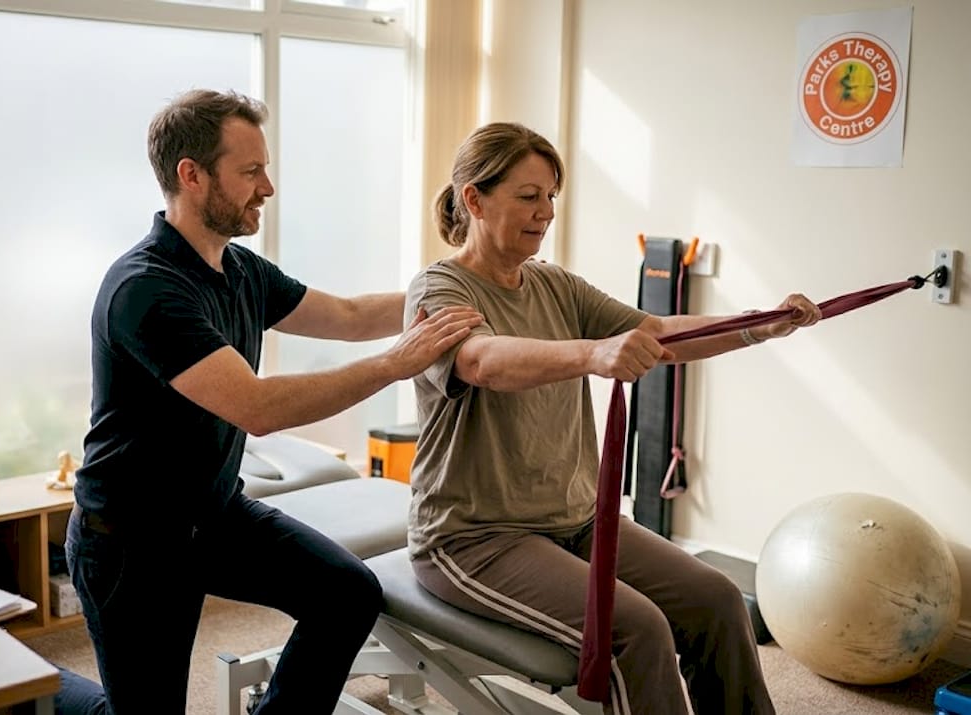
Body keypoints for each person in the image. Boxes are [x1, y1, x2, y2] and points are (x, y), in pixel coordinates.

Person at [57, 88, 483, 715]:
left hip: (215, 515)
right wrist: (397, 363)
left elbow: (346, 314)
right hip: (131, 541)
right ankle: (26, 686)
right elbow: (256, 407)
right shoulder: (145, 289)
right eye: (251, 171)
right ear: (191, 175)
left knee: (345, 594)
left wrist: (455, 282)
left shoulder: (242, 271)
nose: (268, 187)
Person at [403, 122, 821, 715]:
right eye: (528, 196)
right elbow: (482, 360)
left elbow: (658, 335)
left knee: (719, 601)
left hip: (573, 522)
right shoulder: (437, 288)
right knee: (638, 630)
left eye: (551, 196)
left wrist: (757, 324)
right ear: (474, 198)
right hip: (473, 538)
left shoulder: (555, 285)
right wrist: (594, 352)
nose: (545, 212)